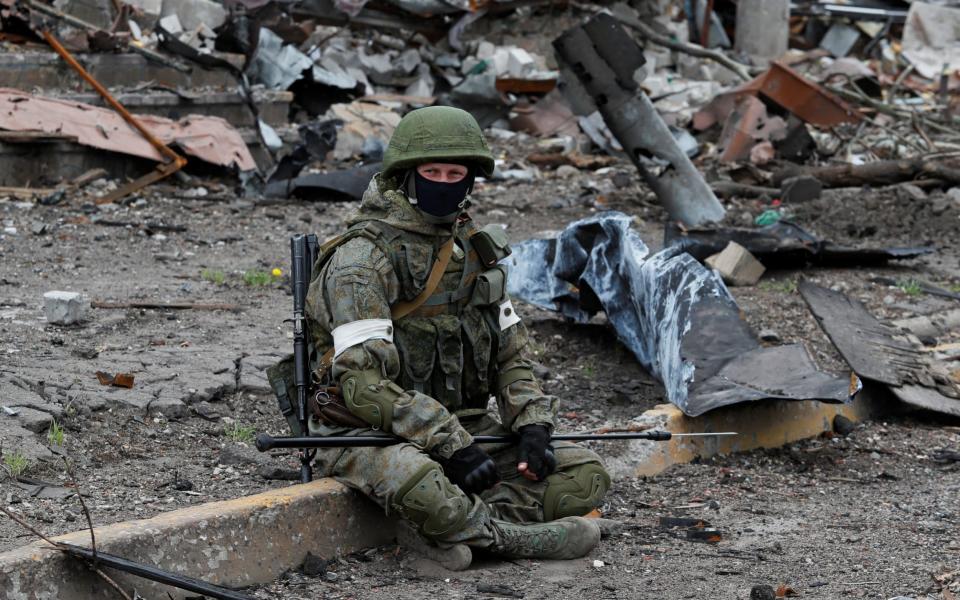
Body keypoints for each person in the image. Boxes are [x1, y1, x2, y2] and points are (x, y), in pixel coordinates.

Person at [301, 106, 611, 569]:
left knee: (585, 475)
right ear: (406, 175)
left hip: (465, 429)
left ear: (470, 180)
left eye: (455, 173)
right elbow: (361, 386)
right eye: (431, 171)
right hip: (368, 433)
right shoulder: (361, 261)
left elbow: (511, 353)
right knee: (423, 484)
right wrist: (447, 442)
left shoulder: (472, 250)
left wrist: (531, 425)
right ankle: (506, 537)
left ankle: (459, 531)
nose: (443, 182)